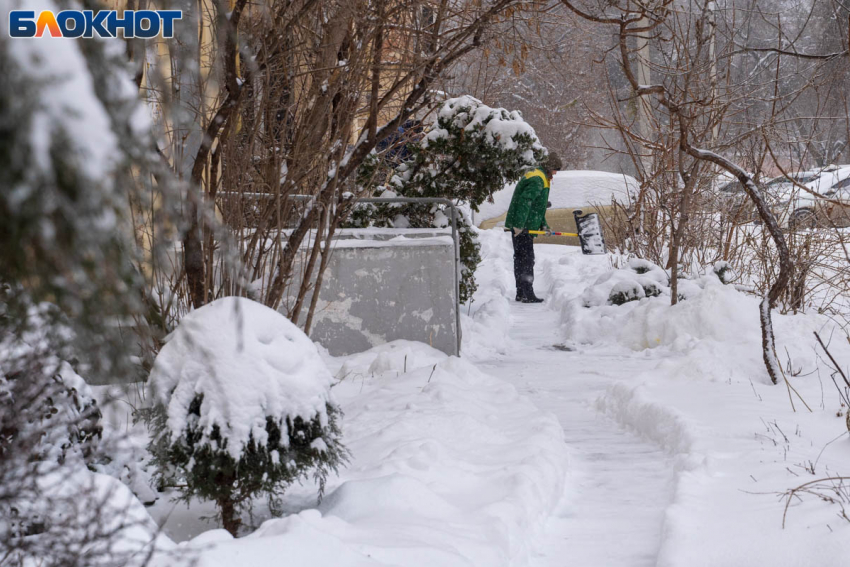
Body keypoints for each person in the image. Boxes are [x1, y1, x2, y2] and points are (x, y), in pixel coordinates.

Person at [504, 152, 562, 303]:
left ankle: (521, 292)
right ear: (549, 167)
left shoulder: (539, 176)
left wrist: (544, 225)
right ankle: (528, 294)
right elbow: (525, 202)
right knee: (527, 259)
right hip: (523, 228)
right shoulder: (538, 179)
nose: (555, 173)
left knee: (521, 259)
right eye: (555, 169)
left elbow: (537, 207)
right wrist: (519, 226)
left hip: (524, 226)